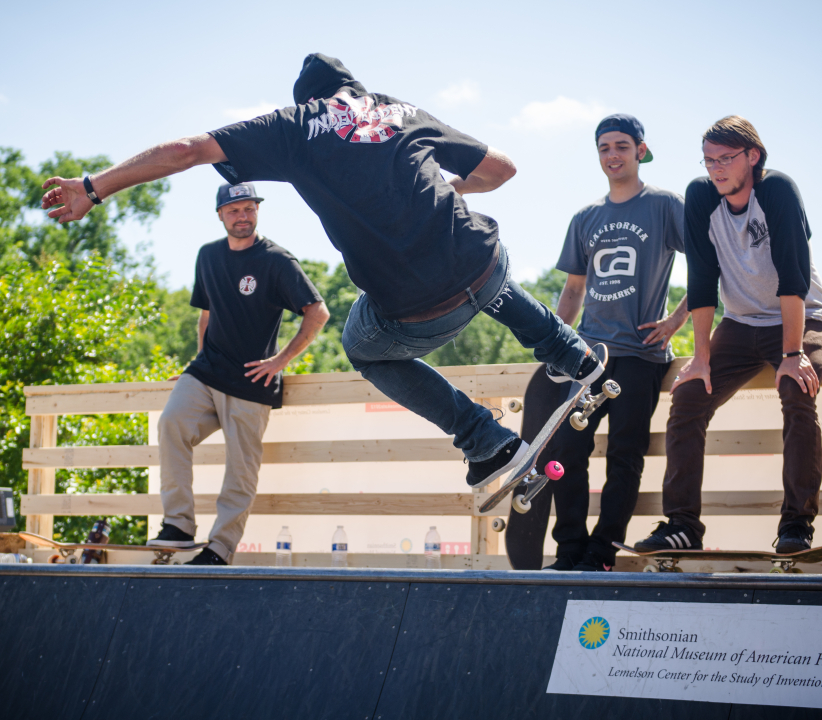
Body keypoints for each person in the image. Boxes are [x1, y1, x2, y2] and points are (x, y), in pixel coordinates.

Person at [40, 53, 604, 492]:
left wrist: (92, 188)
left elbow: (188, 149)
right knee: (482, 259)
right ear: (353, 88)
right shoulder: (397, 108)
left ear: (310, 97)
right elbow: (501, 170)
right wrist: (446, 190)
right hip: (483, 262)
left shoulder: (296, 125)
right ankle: (573, 354)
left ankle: (485, 439)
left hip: (417, 304)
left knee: (363, 344)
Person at [634, 116, 822, 555]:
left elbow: (792, 278)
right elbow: (703, 281)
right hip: (741, 323)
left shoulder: (777, 190)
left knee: (794, 387)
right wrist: (701, 356)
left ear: (753, 156)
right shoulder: (701, 195)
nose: (716, 169)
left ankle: (796, 526)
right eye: (709, 160)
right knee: (687, 396)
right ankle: (682, 525)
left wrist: (793, 352)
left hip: (802, 317)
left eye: (726, 159)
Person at [509, 114, 687, 572]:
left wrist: (676, 320)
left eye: (622, 147)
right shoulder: (586, 217)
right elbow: (572, 291)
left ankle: (602, 553)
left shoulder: (666, 205)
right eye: (604, 147)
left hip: (642, 355)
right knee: (566, 452)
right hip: (587, 357)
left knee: (625, 456)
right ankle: (569, 550)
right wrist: (554, 346)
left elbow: (712, 264)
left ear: (641, 151)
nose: (613, 155)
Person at [150, 182, 329, 565]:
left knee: (240, 469)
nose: (242, 216)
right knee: (171, 425)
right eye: (234, 211)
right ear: (220, 215)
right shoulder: (208, 256)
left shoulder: (277, 261)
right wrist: (196, 364)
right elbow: (207, 315)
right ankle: (178, 525)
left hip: (252, 382)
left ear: (257, 212)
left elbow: (318, 312)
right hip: (206, 372)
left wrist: (280, 361)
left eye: (249, 208)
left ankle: (219, 548)